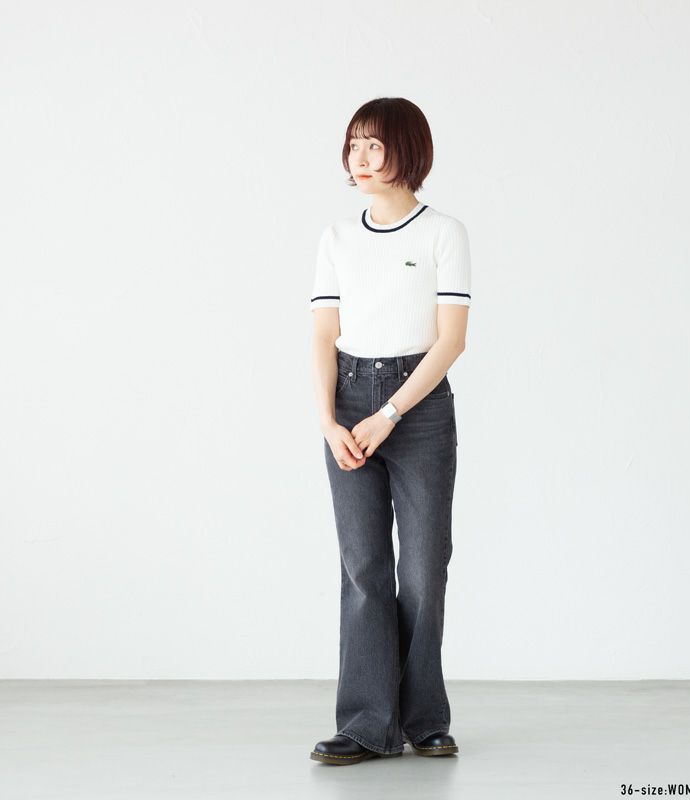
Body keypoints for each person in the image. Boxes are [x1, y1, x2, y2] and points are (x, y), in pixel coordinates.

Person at [309, 97, 471, 766]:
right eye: (354, 145)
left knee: (424, 567)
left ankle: (424, 718)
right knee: (364, 569)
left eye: (375, 144)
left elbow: (450, 341)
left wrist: (390, 414)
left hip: (419, 409)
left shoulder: (442, 232)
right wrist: (329, 421)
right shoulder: (336, 238)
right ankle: (365, 724)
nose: (361, 158)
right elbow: (323, 335)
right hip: (348, 401)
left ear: (409, 149)